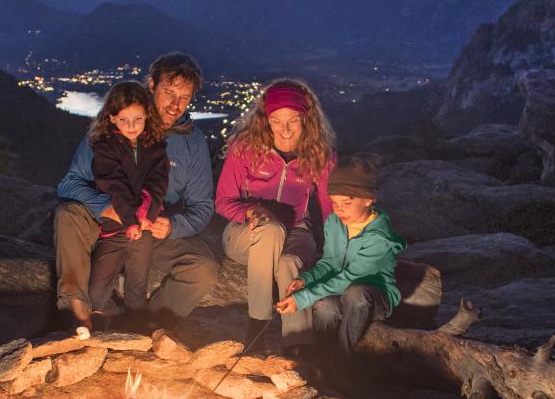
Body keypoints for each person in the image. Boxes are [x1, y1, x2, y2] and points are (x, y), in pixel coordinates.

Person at [55, 53, 220, 335]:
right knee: (67, 215)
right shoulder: (118, 122)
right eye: (169, 92)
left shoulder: (192, 142)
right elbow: (69, 183)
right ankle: (78, 309)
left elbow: (202, 207)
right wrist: (105, 207)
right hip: (105, 223)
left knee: (203, 270)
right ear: (152, 85)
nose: (175, 104)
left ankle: (147, 326)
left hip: (150, 229)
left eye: (185, 96)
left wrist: (172, 226)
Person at [217, 79, 335, 354]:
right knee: (270, 230)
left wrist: (337, 256)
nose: (284, 130)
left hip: (296, 232)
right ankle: (256, 328)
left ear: (306, 120)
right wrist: (249, 210)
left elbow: (331, 211)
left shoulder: (320, 156)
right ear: (265, 120)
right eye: (276, 121)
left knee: (289, 263)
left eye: (292, 121)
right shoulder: (245, 149)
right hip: (246, 232)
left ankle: (299, 344)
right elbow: (223, 201)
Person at [277, 157, 405, 358]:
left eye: (347, 202)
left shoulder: (379, 237)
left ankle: (343, 359)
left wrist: (303, 298)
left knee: (356, 294)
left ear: (368, 199)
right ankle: (321, 358)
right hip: (339, 291)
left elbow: (352, 277)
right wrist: (306, 279)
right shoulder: (334, 223)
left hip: (373, 296)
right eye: (334, 202)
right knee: (324, 306)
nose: (339, 209)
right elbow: (329, 262)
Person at [83, 81, 167, 329]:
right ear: (111, 118)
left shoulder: (155, 148)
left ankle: (135, 327)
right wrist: (130, 219)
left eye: (138, 119)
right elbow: (114, 184)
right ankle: (116, 320)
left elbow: (157, 183)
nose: (132, 126)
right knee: (96, 293)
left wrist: (145, 215)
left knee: (137, 286)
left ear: (147, 116)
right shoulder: (105, 148)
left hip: (144, 227)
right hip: (115, 226)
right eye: (124, 119)